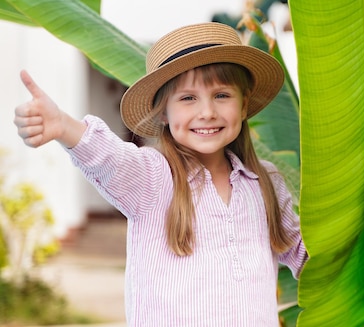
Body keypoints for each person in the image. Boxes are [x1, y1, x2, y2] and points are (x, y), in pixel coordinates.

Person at [13, 22, 308, 326]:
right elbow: (111, 158)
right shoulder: (153, 178)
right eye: (188, 98)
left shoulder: (267, 183)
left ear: (244, 105)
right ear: (164, 112)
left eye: (221, 95)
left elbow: (307, 255)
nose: (207, 112)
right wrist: (64, 126)